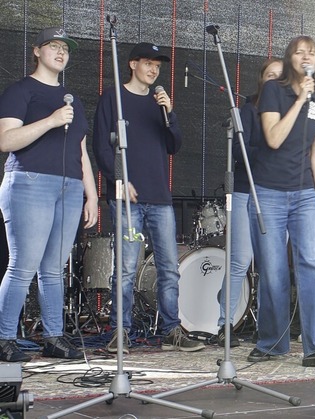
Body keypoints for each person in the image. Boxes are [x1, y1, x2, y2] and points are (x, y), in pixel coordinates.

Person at [93, 42, 204, 353]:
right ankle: (120, 332)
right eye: (147, 62)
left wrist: (169, 113)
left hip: (160, 198)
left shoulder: (159, 103)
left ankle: (172, 330)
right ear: (132, 64)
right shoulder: (113, 97)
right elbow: (102, 146)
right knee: (127, 267)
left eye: (158, 64)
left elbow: (174, 145)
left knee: (169, 267)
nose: (154, 69)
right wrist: (119, 179)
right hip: (127, 197)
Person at [0, 27, 98, 362]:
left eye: (65, 49)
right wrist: (51, 121)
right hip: (29, 182)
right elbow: (6, 141)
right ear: (37, 51)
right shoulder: (21, 91)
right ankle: (3, 337)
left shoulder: (74, 100)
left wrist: (92, 195)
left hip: (69, 187)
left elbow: (82, 150)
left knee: (54, 268)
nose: (60, 52)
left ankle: (54, 337)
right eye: (53, 46)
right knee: (22, 266)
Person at [247, 35, 315, 367]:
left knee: (312, 265)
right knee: (273, 272)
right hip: (269, 193)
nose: (306, 57)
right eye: (299, 52)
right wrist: (299, 101)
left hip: (304, 196)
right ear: (289, 59)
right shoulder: (275, 91)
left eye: (311, 52)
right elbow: (273, 138)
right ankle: (274, 342)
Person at [216, 58, 283, 348]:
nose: (275, 80)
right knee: (241, 258)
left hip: (278, 193)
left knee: (273, 264)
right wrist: (272, 153)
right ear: (261, 80)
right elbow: (238, 151)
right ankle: (224, 325)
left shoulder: (291, 110)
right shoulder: (249, 109)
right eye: (270, 75)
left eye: (280, 76)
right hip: (247, 190)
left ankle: (271, 328)